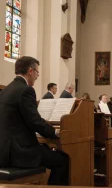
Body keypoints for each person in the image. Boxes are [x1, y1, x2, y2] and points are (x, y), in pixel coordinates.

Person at [0, 56, 69, 185]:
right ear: (30, 71)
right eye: (37, 72)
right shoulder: (26, 90)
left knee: (45, 149)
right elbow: (35, 121)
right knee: (63, 160)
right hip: (19, 153)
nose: (37, 76)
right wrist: (54, 132)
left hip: (4, 150)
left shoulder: (6, 90)